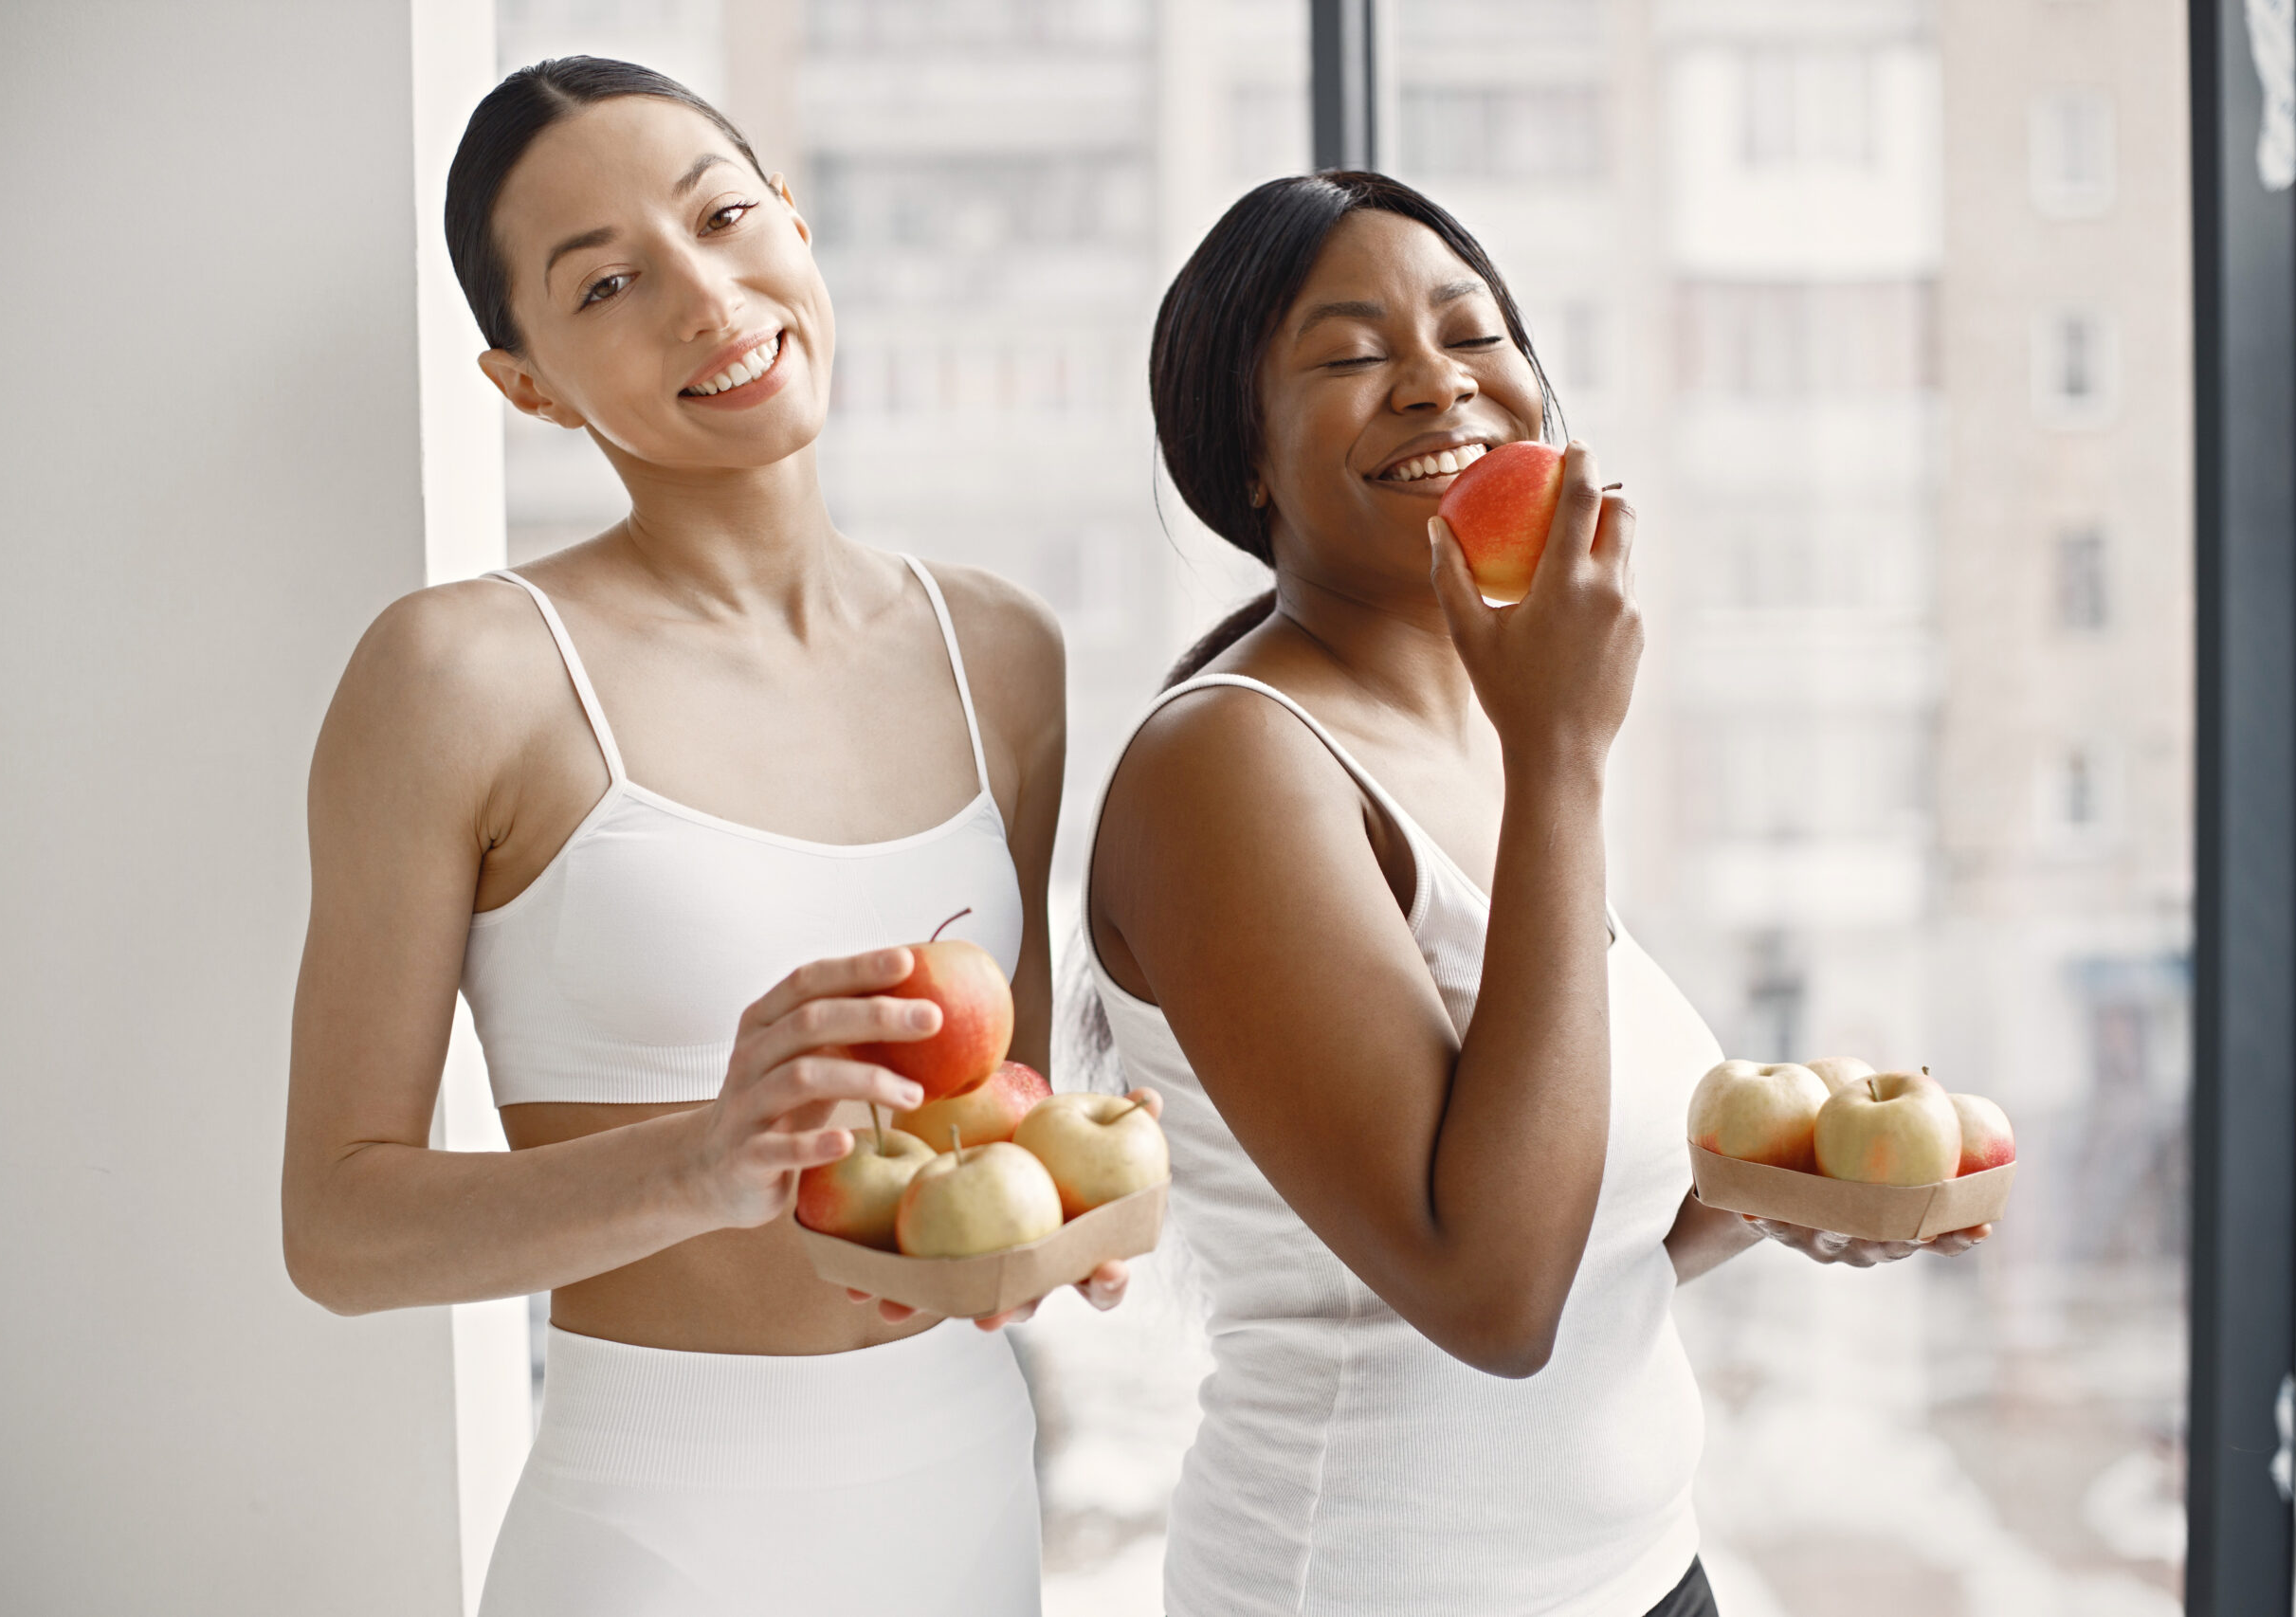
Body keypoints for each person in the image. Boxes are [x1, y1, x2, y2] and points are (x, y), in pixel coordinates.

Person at [281, 58, 1127, 1615]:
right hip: (659, 1539)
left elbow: (987, 1109)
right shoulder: (463, 673)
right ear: (525, 381)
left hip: (974, 1506)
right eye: (605, 282)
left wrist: (1061, 1208)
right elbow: (338, 1226)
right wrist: (702, 1158)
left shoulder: (1002, 651)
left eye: (726, 216)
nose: (705, 295)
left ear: (799, 225)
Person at [1083, 172, 1988, 1617]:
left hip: (1635, 1570)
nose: (1439, 386)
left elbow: (1582, 1229)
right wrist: (1563, 755)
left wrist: (1781, 1187)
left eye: (1471, 329)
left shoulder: (1488, 717)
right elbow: (1494, 1296)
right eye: (1351, 355)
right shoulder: (1232, 766)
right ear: (1243, 458)